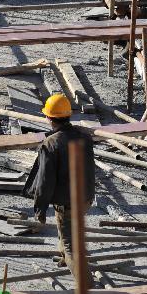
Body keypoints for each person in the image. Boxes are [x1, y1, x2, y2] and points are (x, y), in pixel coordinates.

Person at [31, 94, 96, 275]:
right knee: (66, 228)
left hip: (67, 201)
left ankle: (85, 282)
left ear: (49, 118)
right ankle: (64, 257)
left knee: (69, 244)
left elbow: (45, 181)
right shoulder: (84, 137)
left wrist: (40, 210)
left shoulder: (50, 144)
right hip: (86, 197)